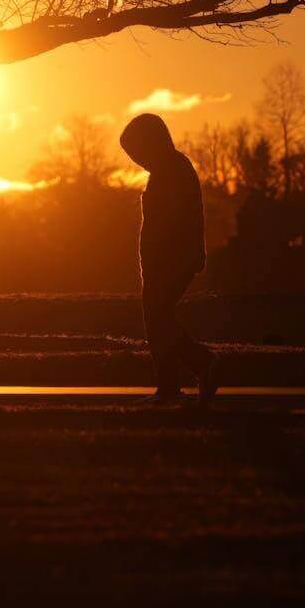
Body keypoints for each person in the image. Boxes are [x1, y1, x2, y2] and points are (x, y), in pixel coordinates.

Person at [120, 113, 219, 405]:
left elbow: (170, 224)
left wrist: (167, 261)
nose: (137, 161)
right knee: (159, 320)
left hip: (173, 261)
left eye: (137, 153)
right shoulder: (167, 170)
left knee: (159, 319)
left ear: (152, 142)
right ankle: (173, 382)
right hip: (164, 263)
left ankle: (199, 366)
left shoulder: (173, 169)